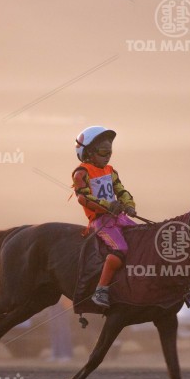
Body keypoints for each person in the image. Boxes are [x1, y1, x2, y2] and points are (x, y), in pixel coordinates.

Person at [71, 126, 137, 307]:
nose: (107, 156)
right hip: (101, 222)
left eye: (110, 152)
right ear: (88, 152)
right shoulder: (81, 173)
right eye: (103, 152)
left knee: (142, 236)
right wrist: (109, 206)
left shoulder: (110, 171)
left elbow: (121, 191)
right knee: (120, 249)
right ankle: (101, 290)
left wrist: (129, 206)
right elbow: (83, 198)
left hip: (118, 217)